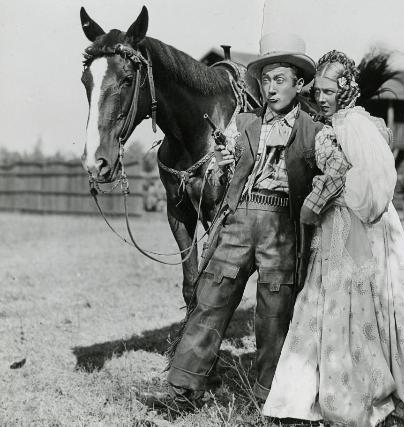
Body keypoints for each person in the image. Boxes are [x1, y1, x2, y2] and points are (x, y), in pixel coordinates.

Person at [263, 50, 404, 427]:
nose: (321, 98)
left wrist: (324, 197)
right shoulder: (343, 124)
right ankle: (307, 393)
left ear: (345, 90)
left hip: (360, 223)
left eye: (328, 91)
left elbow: (371, 188)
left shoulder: (352, 125)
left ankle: (359, 389)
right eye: (319, 91)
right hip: (343, 223)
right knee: (332, 300)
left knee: (357, 301)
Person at [138, 33, 333, 411]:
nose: (272, 89)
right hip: (239, 220)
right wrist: (221, 166)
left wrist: (314, 203)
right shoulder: (243, 123)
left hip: (282, 227)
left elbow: (337, 174)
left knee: (273, 316)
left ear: (299, 84)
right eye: (266, 81)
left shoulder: (315, 131)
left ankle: (271, 401)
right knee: (210, 299)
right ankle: (183, 392)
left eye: (280, 80)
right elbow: (217, 167)